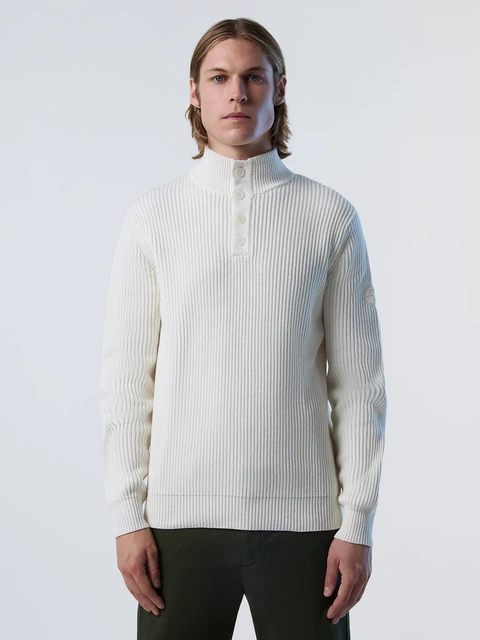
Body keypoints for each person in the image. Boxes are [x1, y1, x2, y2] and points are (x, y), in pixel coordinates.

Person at [99, 17, 387, 640]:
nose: (237, 93)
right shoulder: (152, 217)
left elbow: (359, 385)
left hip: (307, 528)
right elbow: (126, 381)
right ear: (194, 92)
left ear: (279, 89)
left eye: (253, 77)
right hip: (177, 526)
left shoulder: (329, 217)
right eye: (219, 78)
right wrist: (127, 517)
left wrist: (357, 523)